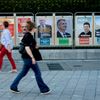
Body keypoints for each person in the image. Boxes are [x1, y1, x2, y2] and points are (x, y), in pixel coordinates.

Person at [10, 21, 50, 94]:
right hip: (28, 58)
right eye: (35, 28)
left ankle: (13, 86)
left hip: (26, 58)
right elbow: (27, 47)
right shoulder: (28, 35)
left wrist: (35, 47)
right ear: (32, 28)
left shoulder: (29, 35)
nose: (36, 29)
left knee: (23, 73)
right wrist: (32, 58)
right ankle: (44, 89)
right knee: (37, 73)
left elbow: (30, 46)